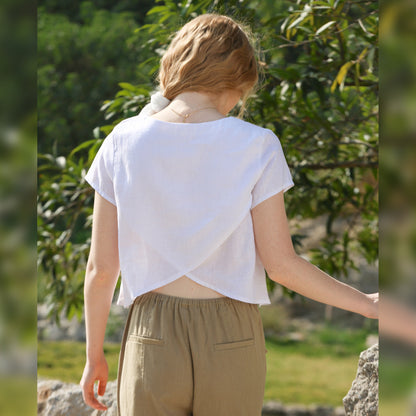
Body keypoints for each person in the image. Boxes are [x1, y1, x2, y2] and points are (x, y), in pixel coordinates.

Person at [80, 13, 378, 416]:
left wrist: (93, 355)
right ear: (239, 80)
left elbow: (101, 268)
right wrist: (368, 304)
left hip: (151, 331)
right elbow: (282, 266)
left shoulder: (121, 140)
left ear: (177, 65)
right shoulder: (258, 145)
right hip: (231, 330)